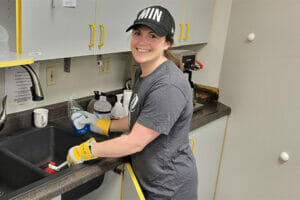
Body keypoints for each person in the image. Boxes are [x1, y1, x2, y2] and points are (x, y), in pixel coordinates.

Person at [67, 5, 198, 199]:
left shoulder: (168, 87)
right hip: (150, 180)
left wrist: (87, 150)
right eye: (138, 33)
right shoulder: (143, 71)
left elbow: (134, 143)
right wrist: (102, 125)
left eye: (152, 35)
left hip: (170, 189)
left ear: (167, 43)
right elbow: (139, 119)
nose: (142, 41)